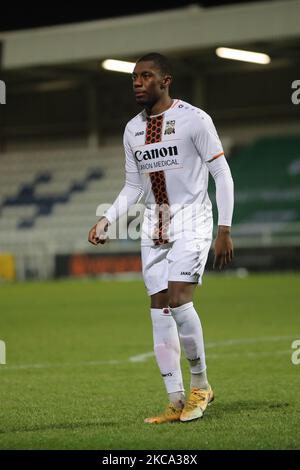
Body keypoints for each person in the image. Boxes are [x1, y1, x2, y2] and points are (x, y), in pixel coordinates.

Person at [88, 52, 234, 424]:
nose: (137, 82)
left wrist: (224, 228)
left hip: (192, 220)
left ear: (165, 80)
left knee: (179, 297)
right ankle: (175, 399)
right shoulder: (132, 130)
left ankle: (201, 385)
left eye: (145, 76)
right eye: (134, 77)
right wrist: (107, 219)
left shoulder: (194, 120)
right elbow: (133, 187)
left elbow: (222, 174)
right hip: (154, 224)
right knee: (158, 309)